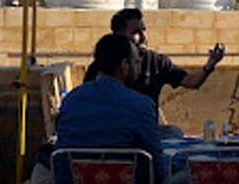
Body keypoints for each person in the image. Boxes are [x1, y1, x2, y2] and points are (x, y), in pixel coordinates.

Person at [56, 34, 168, 184]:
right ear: (124, 66)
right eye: (136, 63)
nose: (138, 69)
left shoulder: (70, 101)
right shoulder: (141, 106)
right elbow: (157, 169)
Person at [84, 8, 226, 122]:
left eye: (143, 30)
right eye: (136, 32)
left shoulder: (156, 62)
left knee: (173, 133)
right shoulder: (101, 65)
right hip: (113, 129)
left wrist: (209, 65)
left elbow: (191, 82)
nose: (143, 37)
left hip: (144, 126)